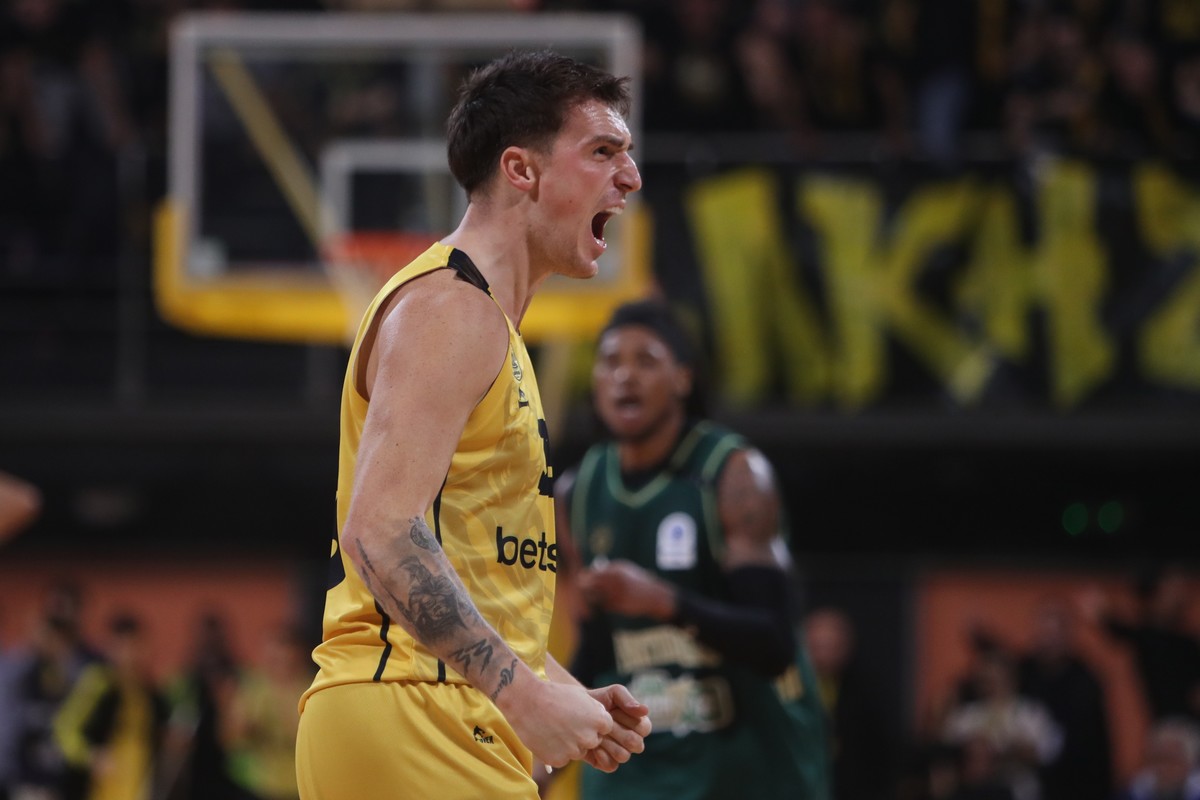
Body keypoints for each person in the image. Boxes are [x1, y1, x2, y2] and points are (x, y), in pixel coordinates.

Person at [295, 49, 651, 800]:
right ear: (521, 170)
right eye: (602, 151)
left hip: (427, 709)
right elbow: (381, 532)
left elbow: (467, 569)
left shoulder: (485, 321)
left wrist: (556, 688)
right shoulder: (450, 310)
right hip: (412, 709)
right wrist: (523, 697)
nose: (631, 176)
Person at [557, 298, 832, 800]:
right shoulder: (579, 492)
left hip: (745, 763)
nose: (625, 376)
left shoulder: (734, 475)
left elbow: (774, 641)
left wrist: (663, 601)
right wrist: (547, 757)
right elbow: (597, 647)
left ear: (683, 378)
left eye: (646, 361)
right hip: (640, 763)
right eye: (611, 361)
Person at [53, 613, 167, 800]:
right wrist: (91, 756)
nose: (130, 654)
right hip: (105, 785)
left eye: (135, 645)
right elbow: (64, 729)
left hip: (139, 784)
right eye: (123, 646)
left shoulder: (147, 689)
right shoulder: (99, 682)